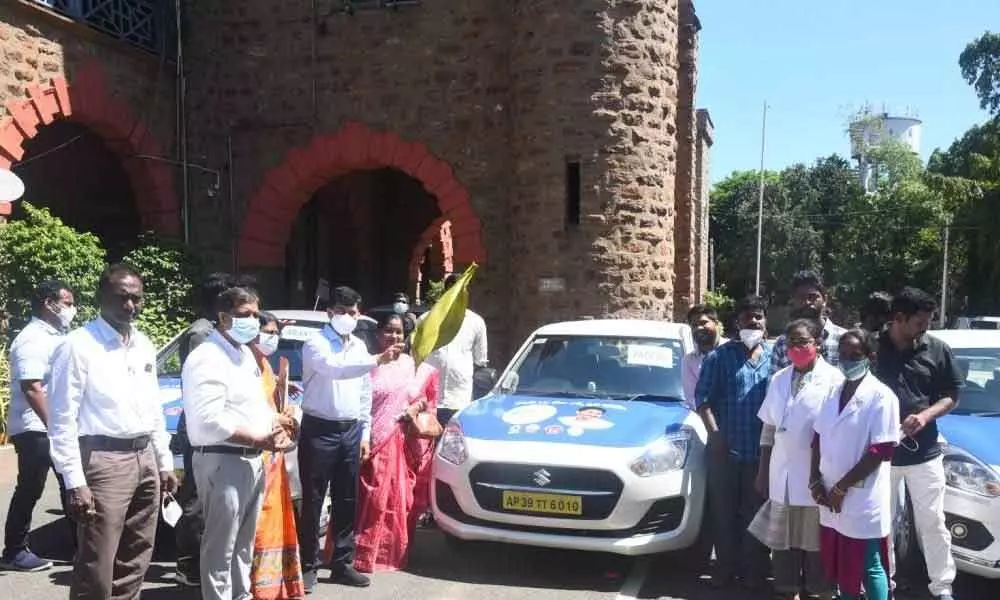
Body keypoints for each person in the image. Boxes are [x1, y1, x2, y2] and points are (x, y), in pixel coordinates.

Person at [47, 264, 178, 599]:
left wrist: (163, 462)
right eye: (122, 298)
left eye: (136, 298)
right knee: (98, 563)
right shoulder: (78, 345)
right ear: (100, 297)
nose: (130, 306)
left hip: (144, 456)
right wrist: (74, 482)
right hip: (103, 462)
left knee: (137, 555)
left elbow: (152, 409)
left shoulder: (144, 344)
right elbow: (62, 420)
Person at [183, 287, 293, 600]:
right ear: (223, 317)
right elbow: (210, 420)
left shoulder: (244, 354)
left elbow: (253, 406)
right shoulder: (207, 357)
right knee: (221, 547)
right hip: (223, 458)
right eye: (245, 315)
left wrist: (275, 427)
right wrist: (259, 438)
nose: (253, 321)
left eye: (256, 315)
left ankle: (242, 596)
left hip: (253, 459)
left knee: (244, 545)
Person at [296, 286, 404, 591]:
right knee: (314, 499)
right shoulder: (315, 343)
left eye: (354, 312)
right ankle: (308, 565)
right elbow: (334, 370)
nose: (348, 317)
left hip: (350, 429)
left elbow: (363, 391)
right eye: (342, 311)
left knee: (347, 498)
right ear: (330, 313)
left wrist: (365, 431)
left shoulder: (358, 345)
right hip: (319, 429)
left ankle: (343, 562)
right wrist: (377, 360)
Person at [321, 312, 439, 573]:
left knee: (388, 501)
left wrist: (414, 408)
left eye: (399, 332)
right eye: (389, 331)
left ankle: (381, 554)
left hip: (395, 441)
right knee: (358, 498)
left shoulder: (412, 364)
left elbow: (423, 398)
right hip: (362, 439)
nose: (394, 336)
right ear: (378, 334)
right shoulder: (366, 362)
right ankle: (349, 553)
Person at [874, 287, 962, 600]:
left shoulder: (937, 349)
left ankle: (942, 588)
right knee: (881, 521)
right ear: (898, 318)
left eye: (928, 322)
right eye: (920, 322)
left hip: (925, 452)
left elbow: (952, 394)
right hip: (879, 454)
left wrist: (925, 416)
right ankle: (884, 584)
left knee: (933, 521)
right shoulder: (873, 348)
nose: (925, 328)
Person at [749, 318, 841, 600]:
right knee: (783, 543)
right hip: (781, 474)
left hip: (817, 477)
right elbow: (769, 428)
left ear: (818, 344)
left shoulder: (835, 380)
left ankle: (819, 591)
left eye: (803, 342)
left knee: (815, 543)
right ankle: (787, 591)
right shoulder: (779, 379)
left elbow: (838, 432)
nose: (796, 348)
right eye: (791, 343)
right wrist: (762, 472)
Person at [812, 329, 900, 600]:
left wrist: (841, 488)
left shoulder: (881, 397)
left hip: (860, 494)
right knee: (841, 560)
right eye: (843, 355)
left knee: (868, 561)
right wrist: (815, 479)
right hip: (829, 491)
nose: (847, 361)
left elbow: (879, 451)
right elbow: (817, 437)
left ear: (870, 357)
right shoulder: (832, 392)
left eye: (855, 355)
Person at [693, 294, 772, 589]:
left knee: (755, 513)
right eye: (747, 317)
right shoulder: (719, 356)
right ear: (736, 322)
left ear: (766, 322)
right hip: (724, 450)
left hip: (761, 454)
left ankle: (754, 571)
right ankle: (725, 568)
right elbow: (702, 399)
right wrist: (715, 435)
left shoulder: (775, 357)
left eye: (759, 317)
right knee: (724, 512)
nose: (754, 321)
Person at [1, 280, 77, 572]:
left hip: (52, 427)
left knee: (68, 482)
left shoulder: (56, 335)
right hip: (37, 429)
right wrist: (56, 427)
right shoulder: (32, 339)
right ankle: (14, 552)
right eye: (67, 303)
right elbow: (33, 388)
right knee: (32, 488)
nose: (72, 309)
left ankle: (83, 547)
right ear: (49, 303)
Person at [174, 271, 237, 586]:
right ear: (219, 300)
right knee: (197, 497)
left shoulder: (219, 331)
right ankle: (188, 564)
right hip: (202, 427)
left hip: (217, 427)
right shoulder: (202, 334)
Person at [249, 312, 306, 600]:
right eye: (267, 331)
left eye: (275, 333)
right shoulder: (245, 365)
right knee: (258, 522)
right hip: (255, 454)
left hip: (274, 456)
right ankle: (257, 585)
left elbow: (271, 402)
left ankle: (274, 583)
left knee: (275, 517)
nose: (272, 338)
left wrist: (286, 406)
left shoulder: (265, 365)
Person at [424, 273, 488, 425]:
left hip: (460, 398)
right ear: (446, 292)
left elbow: (480, 361)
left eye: (462, 290)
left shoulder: (476, 322)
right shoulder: (426, 320)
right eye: (453, 290)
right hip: (429, 399)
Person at [772, 270, 846, 372]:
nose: (807, 302)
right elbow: (775, 385)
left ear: (825, 300)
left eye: (812, 297)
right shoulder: (783, 343)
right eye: (801, 297)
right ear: (793, 301)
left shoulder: (844, 339)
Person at [681, 304, 723, 411]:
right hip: (705, 420)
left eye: (703, 323)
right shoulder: (689, 361)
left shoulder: (732, 350)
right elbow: (692, 400)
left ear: (716, 324)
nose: (699, 328)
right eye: (694, 325)